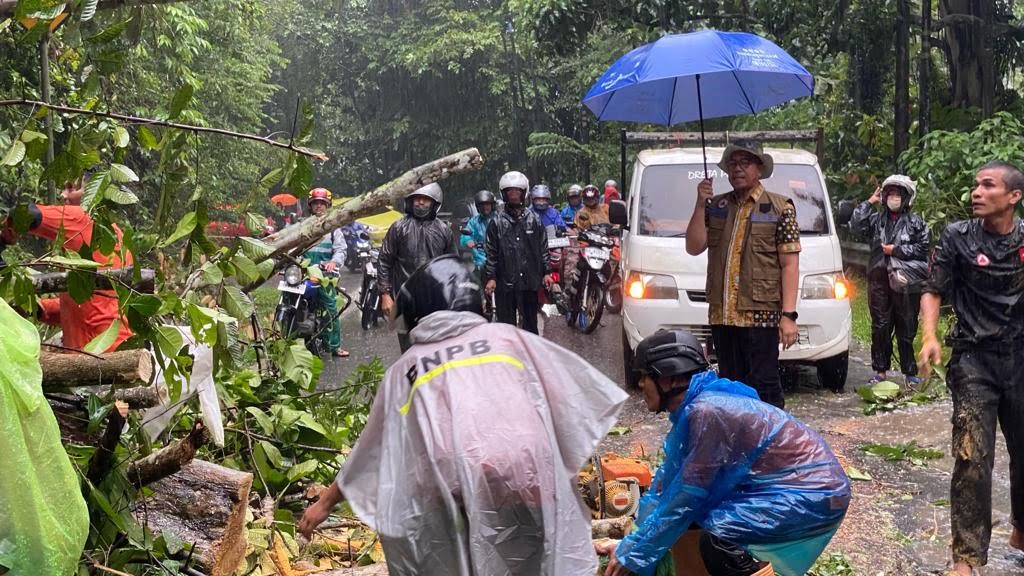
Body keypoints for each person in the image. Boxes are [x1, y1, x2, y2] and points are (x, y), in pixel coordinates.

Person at [298, 254, 628, 576]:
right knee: (536, 559)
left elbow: (374, 446)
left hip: (451, 492)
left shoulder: (406, 369)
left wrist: (323, 504)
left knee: (459, 555)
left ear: (418, 311)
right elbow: (568, 404)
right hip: (530, 479)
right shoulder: (510, 339)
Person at [597, 329, 850, 576]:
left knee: (719, 540)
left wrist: (634, 552)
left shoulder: (708, 412)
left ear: (669, 378)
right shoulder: (696, 408)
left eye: (644, 376)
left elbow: (684, 499)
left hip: (813, 492)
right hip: (789, 491)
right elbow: (667, 490)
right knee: (694, 522)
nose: (640, 384)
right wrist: (629, 544)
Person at [918, 161, 1024, 576]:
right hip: (973, 359)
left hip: (1020, 356)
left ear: (1013, 196)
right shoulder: (957, 237)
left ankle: (1022, 529)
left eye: (987, 185)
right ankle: (966, 557)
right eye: (974, 185)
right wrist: (930, 336)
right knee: (972, 458)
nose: (976, 192)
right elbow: (933, 288)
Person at [684, 140, 800, 408]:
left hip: (760, 317)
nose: (737, 169)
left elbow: (790, 265)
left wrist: (788, 316)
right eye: (732, 164)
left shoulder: (780, 208)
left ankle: (772, 445)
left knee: (764, 387)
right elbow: (693, 246)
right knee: (730, 389)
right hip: (723, 316)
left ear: (759, 169)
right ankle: (738, 445)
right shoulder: (717, 206)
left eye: (744, 163)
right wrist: (700, 204)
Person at [1, 174, 133, 352]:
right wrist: (39, 309)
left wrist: (4, 236)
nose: (63, 195)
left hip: (98, 354)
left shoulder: (82, 218)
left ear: (94, 191)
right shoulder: (118, 238)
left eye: (71, 188)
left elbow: (24, 213)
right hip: (115, 349)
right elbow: (88, 304)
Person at [850, 175, 930, 386]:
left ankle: (909, 372)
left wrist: (897, 250)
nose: (894, 198)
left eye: (898, 194)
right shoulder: (876, 221)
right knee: (880, 326)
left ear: (906, 198)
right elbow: (856, 227)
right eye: (890, 194)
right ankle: (880, 371)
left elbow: (923, 248)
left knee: (906, 326)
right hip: (879, 280)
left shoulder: (916, 223)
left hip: (906, 284)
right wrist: (869, 202)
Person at [378, 182, 459, 350]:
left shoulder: (444, 230)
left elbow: (453, 265)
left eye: (425, 199)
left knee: (437, 348)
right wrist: (385, 294)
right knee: (408, 350)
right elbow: (385, 260)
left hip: (436, 300)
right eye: (417, 199)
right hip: (405, 298)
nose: (420, 203)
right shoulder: (398, 228)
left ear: (434, 203)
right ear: (410, 201)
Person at [483, 171, 553, 334]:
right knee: (506, 329)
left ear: (524, 192)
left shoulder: (534, 219)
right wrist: (491, 277)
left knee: (530, 327)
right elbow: (491, 253)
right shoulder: (496, 222)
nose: (514, 194)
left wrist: (547, 272)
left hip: (529, 282)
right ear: (504, 193)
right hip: (505, 283)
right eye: (510, 191)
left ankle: (529, 357)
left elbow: (543, 247)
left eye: (517, 191)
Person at [302, 187, 349, 358]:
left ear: (327, 205)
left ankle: (335, 346)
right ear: (310, 206)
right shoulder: (302, 226)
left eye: (322, 203)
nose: (319, 206)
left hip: (324, 276)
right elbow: (290, 248)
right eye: (316, 203)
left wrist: (333, 262)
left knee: (330, 307)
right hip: (303, 274)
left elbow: (341, 249)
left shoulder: (334, 228)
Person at [459, 190, 496, 272]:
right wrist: (468, 240)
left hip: (498, 260)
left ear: (492, 205)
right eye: (481, 205)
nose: (484, 207)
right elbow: (466, 235)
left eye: (487, 204)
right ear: (477, 207)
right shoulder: (474, 221)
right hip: (480, 261)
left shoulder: (499, 219)